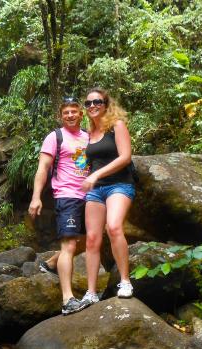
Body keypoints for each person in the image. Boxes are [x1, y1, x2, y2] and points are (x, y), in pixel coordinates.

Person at [28, 97, 91, 315]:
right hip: (67, 195)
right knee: (70, 245)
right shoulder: (55, 137)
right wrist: (36, 197)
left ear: (81, 114)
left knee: (87, 241)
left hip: (90, 197)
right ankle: (68, 300)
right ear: (61, 116)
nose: (71, 115)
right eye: (66, 113)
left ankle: (52, 263)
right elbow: (43, 168)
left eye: (74, 111)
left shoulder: (89, 137)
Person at [81, 87, 135, 301]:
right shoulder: (88, 134)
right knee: (92, 239)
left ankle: (125, 281)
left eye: (97, 102)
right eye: (88, 103)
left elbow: (125, 157)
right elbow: (88, 162)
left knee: (113, 227)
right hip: (95, 191)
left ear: (106, 105)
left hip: (119, 185)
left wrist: (96, 175)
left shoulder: (116, 126)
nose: (92, 106)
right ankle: (91, 292)